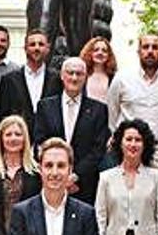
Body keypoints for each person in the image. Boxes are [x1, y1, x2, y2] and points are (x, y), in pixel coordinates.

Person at [35, 57, 109, 205]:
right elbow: (40, 142)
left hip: (84, 186)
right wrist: (60, 176)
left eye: (79, 74)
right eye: (70, 73)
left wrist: (74, 177)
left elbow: (98, 149)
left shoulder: (99, 110)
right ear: (62, 76)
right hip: (51, 182)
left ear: (86, 77)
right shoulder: (45, 106)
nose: (74, 78)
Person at [107, 34, 158, 167]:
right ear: (139, 51)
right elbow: (112, 115)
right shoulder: (121, 79)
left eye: (155, 47)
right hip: (129, 151)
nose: (150, 51)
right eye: (145, 47)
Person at [0, 29, 62, 138]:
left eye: (41, 44)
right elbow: (4, 116)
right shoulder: (9, 80)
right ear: (25, 49)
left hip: (49, 141)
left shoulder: (57, 79)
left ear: (47, 49)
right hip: (19, 141)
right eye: (32, 44)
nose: (37, 48)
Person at [79, 36, 117, 103]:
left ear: (109, 55)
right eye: (96, 50)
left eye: (104, 51)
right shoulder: (82, 75)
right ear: (89, 53)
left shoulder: (113, 78)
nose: (100, 53)